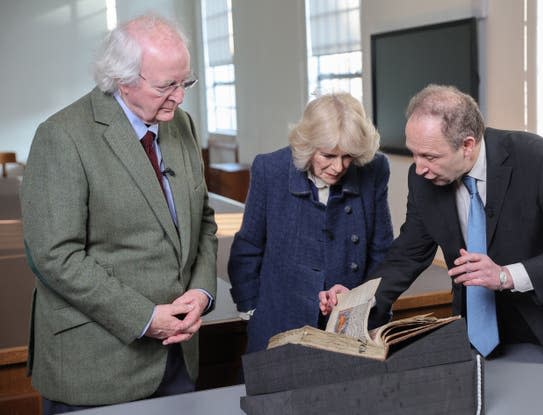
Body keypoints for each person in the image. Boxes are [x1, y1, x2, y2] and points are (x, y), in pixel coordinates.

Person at [320, 84, 543, 363]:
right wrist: (356, 303)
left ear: (467, 145)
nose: (418, 167)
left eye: (429, 156)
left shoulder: (538, 159)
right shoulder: (423, 179)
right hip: (488, 334)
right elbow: (408, 254)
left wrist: (505, 275)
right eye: (414, 153)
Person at [20, 15, 218, 414]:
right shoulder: (62, 136)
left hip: (177, 361)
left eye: (185, 83)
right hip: (96, 366)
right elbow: (55, 256)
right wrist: (145, 317)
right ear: (123, 80)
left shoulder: (181, 124)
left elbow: (204, 221)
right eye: (167, 86)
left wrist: (201, 292)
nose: (180, 98)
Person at [228, 93, 394, 353]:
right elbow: (248, 247)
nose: (338, 167)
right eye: (328, 155)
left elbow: (381, 250)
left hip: (348, 324)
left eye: (347, 156)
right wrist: (252, 310)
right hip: (279, 320)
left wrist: (360, 303)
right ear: (307, 145)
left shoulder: (374, 169)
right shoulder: (270, 169)